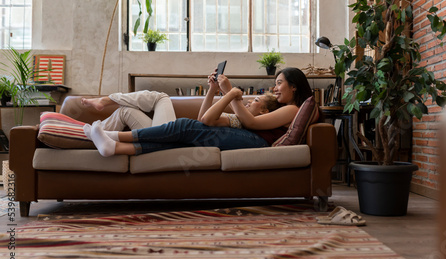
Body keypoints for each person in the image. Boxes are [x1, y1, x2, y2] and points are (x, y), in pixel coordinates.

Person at [86, 67, 313, 157]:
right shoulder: (285, 108)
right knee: (179, 138)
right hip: (250, 138)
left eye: (279, 83)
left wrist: (231, 93)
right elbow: (204, 119)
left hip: (256, 142)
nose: (275, 88)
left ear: (294, 86)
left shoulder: (293, 109)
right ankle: (112, 146)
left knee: (184, 127)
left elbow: (252, 123)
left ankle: (112, 137)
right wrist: (216, 90)